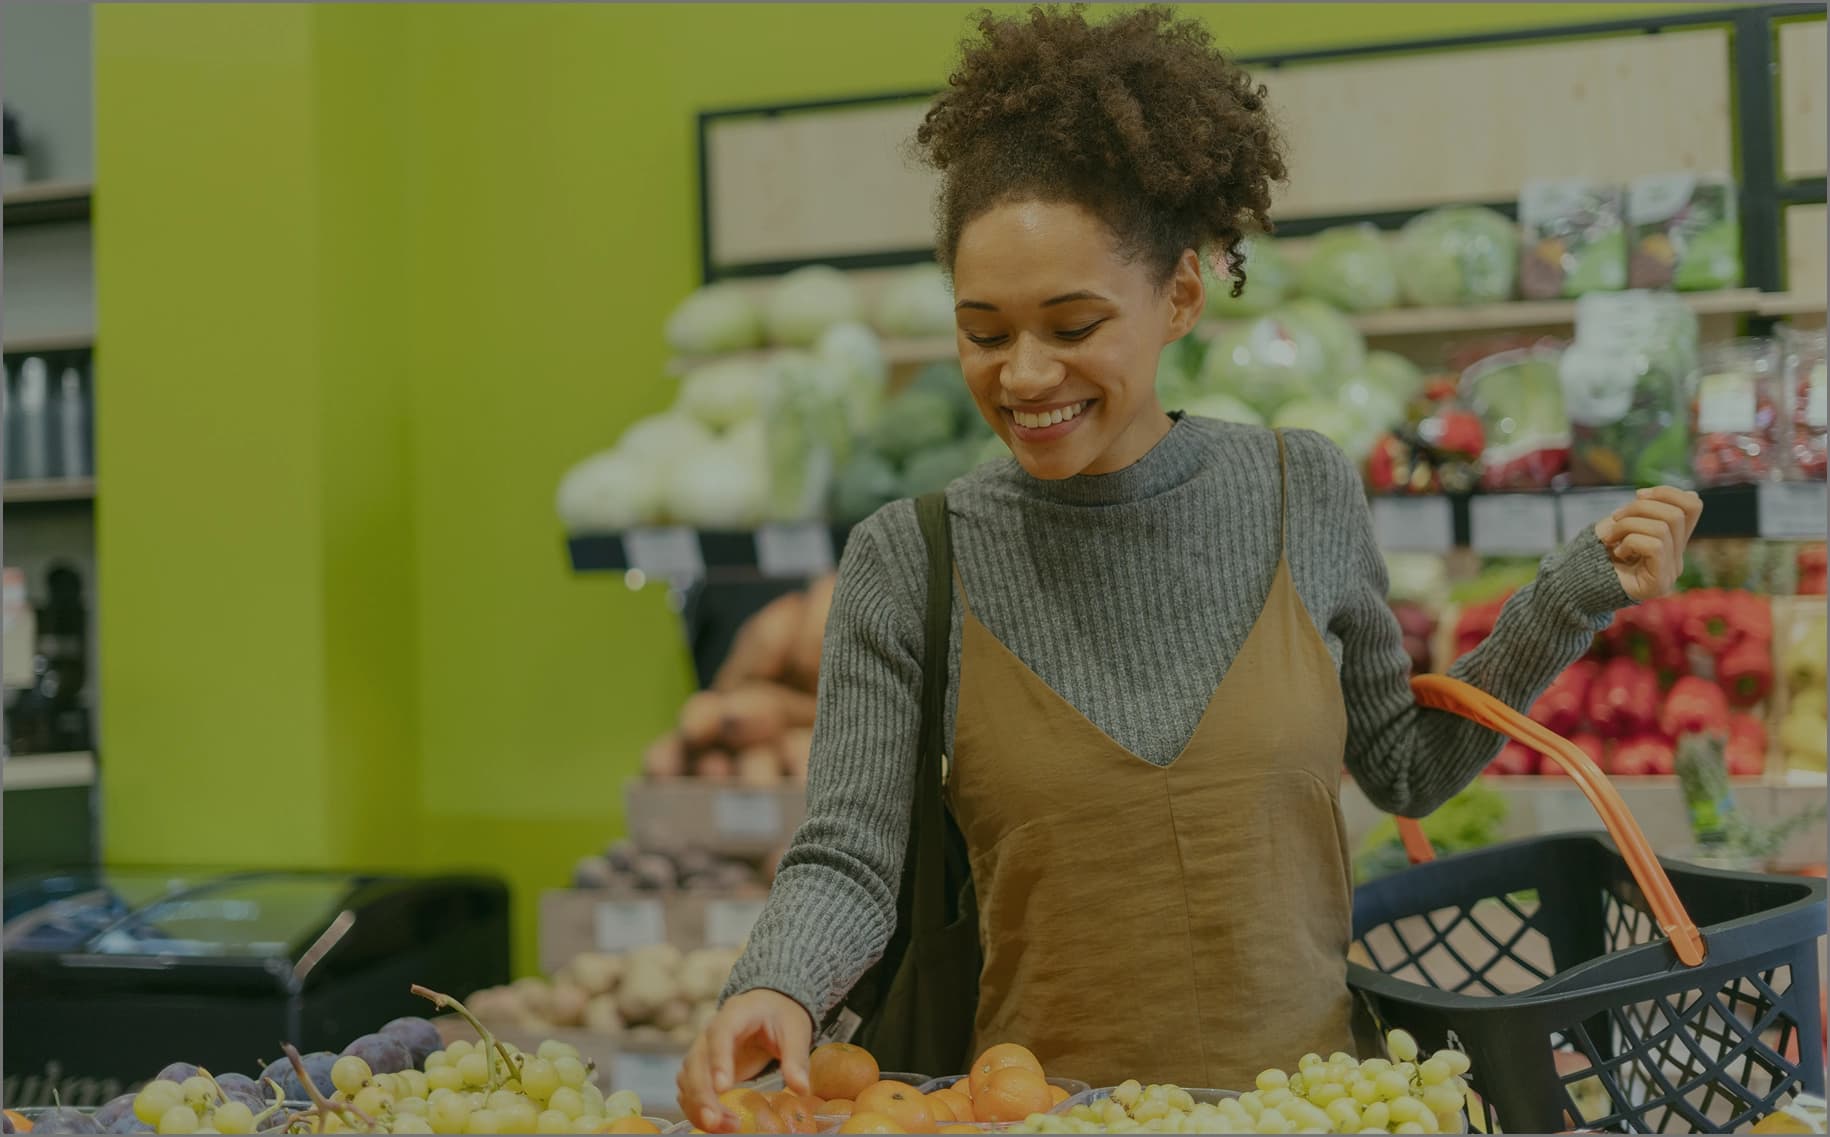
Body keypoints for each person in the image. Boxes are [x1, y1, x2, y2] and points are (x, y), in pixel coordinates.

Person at [677, 6, 1702, 1128]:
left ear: (1178, 296)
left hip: (1307, 1112)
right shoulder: (910, 559)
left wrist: (1568, 598)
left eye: (1072, 325)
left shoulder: (1297, 490)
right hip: (1035, 1116)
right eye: (983, 330)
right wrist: (772, 981)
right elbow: (849, 855)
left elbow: (1406, 766)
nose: (1024, 374)